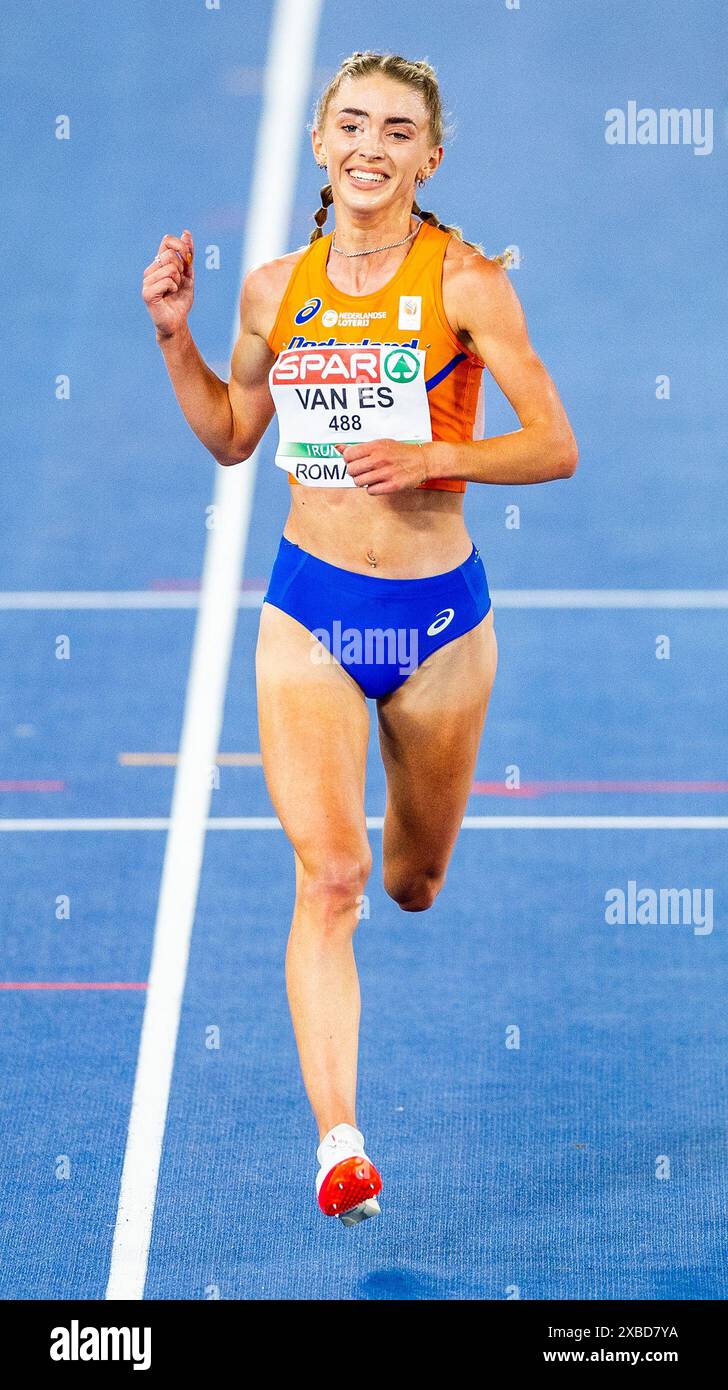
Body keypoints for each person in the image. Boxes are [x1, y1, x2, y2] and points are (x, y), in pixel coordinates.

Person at [142, 50, 578, 1228]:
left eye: (396, 131)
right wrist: (176, 337)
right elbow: (236, 434)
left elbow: (552, 444)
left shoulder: (467, 283)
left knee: (410, 882)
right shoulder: (274, 289)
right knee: (330, 879)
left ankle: (408, 858)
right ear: (320, 144)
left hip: (438, 626)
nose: (369, 147)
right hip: (308, 614)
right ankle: (341, 1141)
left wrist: (441, 455)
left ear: (427, 156)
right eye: (351, 126)